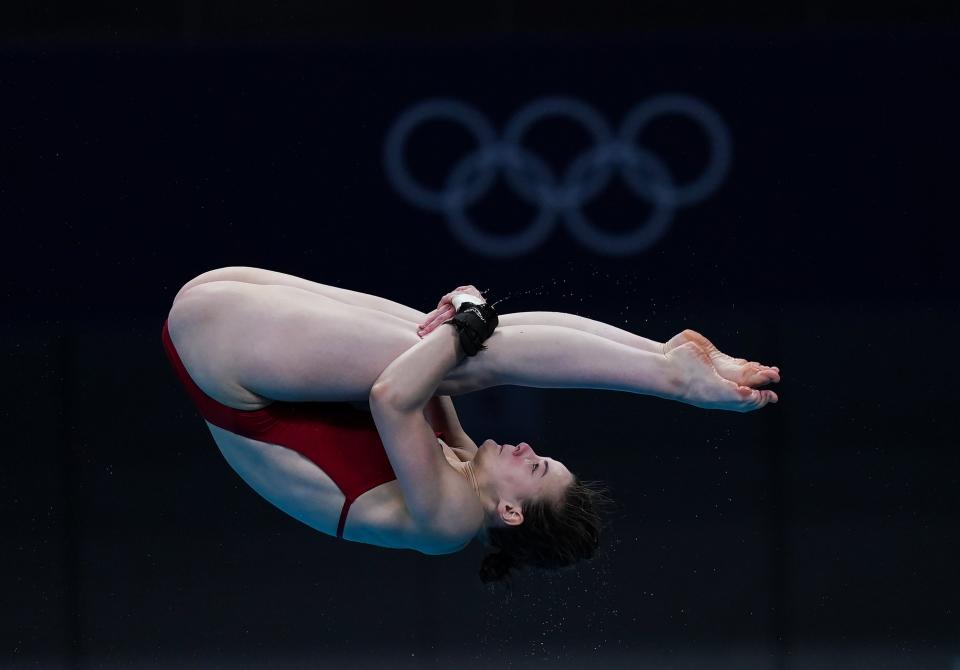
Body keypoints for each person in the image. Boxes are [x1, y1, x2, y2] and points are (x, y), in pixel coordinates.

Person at [161, 266, 780, 584]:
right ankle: (662, 355)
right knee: (463, 346)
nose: (529, 449)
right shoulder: (459, 468)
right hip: (220, 326)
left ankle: (670, 374)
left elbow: (393, 397)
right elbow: (430, 373)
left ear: (511, 512)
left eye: (535, 467)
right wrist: (459, 317)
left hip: (226, 362)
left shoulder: (450, 521)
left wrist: (467, 319)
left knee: (472, 354)